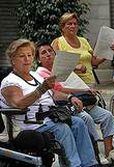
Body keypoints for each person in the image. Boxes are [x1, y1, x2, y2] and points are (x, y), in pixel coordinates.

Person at [0, 39, 97, 167]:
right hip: (30, 124)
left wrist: (69, 97)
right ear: (13, 60)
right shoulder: (10, 82)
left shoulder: (36, 76)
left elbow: (54, 93)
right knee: (62, 128)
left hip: (49, 118)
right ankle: (75, 164)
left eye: (29, 55)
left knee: (78, 122)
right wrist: (41, 89)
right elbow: (19, 103)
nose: (27, 59)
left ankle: (89, 164)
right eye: (22, 56)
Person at [35, 42, 114, 164]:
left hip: (79, 101)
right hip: (64, 106)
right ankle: (95, 153)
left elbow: (75, 83)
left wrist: (85, 90)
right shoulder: (41, 73)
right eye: (43, 53)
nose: (48, 54)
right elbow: (58, 91)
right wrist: (84, 90)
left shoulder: (61, 68)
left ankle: (110, 151)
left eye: (50, 51)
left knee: (106, 115)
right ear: (38, 59)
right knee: (86, 118)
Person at [52, 12, 111, 86]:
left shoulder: (83, 41)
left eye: (75, 24)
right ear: (62, 27)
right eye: (69, 24)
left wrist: (108, 51)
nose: (73, 26)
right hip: (71, 85)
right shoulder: (58, 42)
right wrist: (76, 67)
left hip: (89, 83)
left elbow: (94, 62)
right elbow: (55, 66)